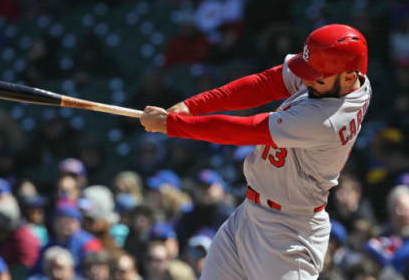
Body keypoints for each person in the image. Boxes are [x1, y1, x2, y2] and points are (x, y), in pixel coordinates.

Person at [140, 24, 372, 279]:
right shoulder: (341, 78)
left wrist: (173, 126)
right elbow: (266, 83)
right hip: (249, 214)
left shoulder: (327, 120)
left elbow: (247, 130)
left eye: (316, 76)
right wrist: (191, 106)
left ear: (349, 78)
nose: (306, 79)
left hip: (289, 233)